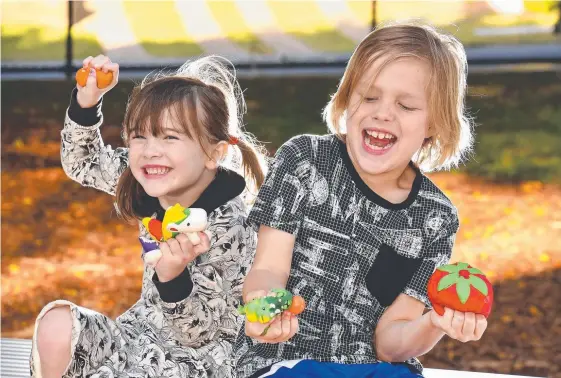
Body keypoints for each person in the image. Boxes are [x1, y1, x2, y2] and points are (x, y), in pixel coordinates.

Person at [234, 22, 487, 378]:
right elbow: (268, 269)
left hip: (374, 368)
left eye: (406, 105)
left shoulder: (436, 218)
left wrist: (436, 321)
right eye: (369, 96)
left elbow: (390, 342)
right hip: (284, 361)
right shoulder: (305, 161)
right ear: (347, 98)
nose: (383, 112)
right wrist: (263, 304)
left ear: (435, 123)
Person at [31, 54, 267, 378]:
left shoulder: (231, 229)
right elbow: (82, 161)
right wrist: (87, 102)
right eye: (140, 135)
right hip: (137, 340)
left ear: (215, 152)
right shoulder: (145, 179)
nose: (150, 149)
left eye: (170, 137)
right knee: (56, 324)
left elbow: (200, 334)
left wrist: (173, 278)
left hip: (197, 364)